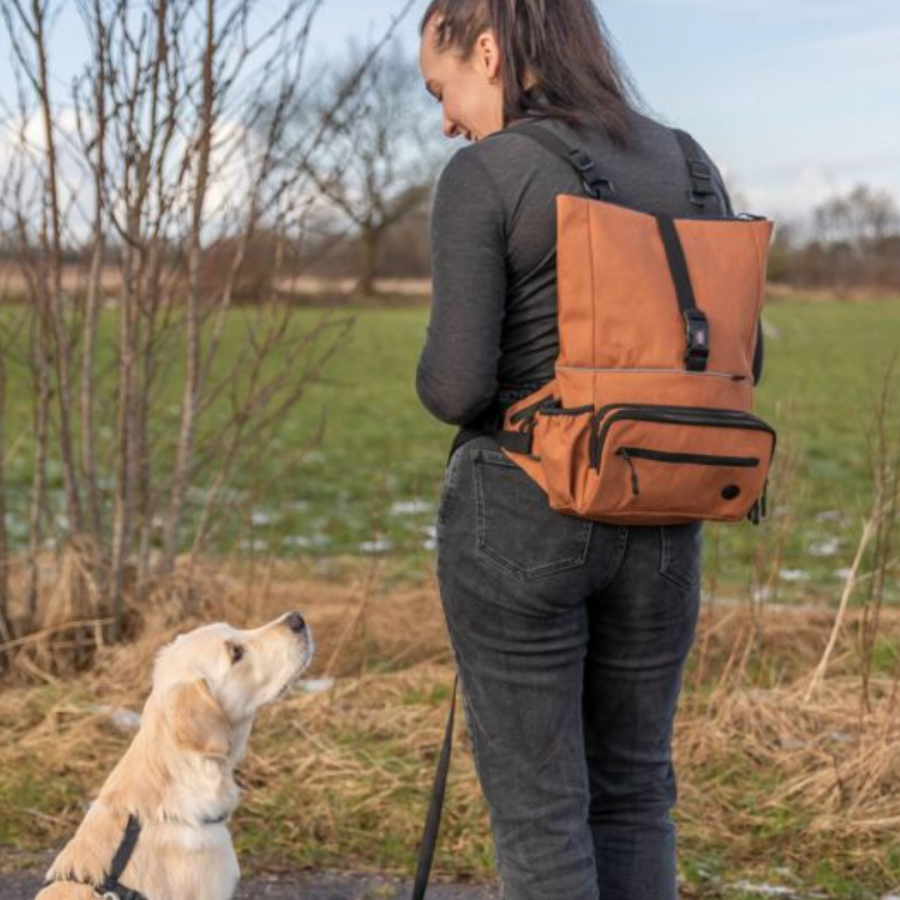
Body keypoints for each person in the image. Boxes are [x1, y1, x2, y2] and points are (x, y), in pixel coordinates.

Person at [415, 2, 764, 899]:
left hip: (522, 516)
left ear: (487, 50)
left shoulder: (485, 174)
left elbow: (455, 388)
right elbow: (742, 356)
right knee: (636, 793)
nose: (446, 118)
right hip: (664, 515)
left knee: (541, 818)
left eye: (441, 89)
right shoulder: (688, 163)